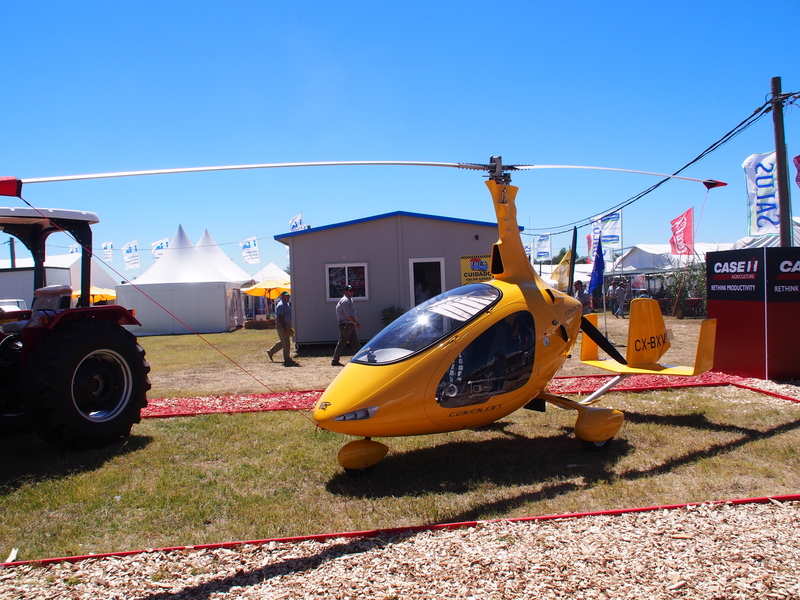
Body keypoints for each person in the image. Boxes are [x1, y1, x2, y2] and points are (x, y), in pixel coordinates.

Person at [332, 285, 361, 366]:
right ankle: (335, 360)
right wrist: (356, 323)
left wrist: (354, 323)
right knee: (342, 342)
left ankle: (361, 358)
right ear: (345, 291)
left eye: (353, 290)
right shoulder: (345, 301)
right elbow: (348, 314)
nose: (352, 292)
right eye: (350, 290)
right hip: (346, 324)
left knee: (355, 342)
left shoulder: (349, 300)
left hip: (350, 324)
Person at [268, 291, 299, 366]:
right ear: (282, 296)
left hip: (287, 325)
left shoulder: (286, 304)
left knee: (283, 342)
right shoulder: (281, 305)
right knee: (286, 343)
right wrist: (284, 328)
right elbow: (280, 318)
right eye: (286, 296)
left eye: (288, 296)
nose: (288, 297)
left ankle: (271, 351)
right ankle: (287, 359)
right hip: (282, 325)